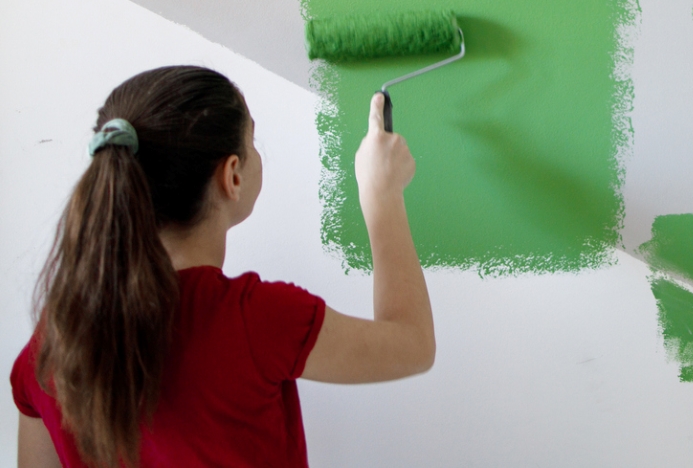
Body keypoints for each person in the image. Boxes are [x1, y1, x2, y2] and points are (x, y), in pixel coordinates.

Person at [10, 66, 434, 467]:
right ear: (231, 175)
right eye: (252, 143)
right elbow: (413, 345)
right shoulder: (253, 320)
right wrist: (382, 194)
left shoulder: (52, 344)